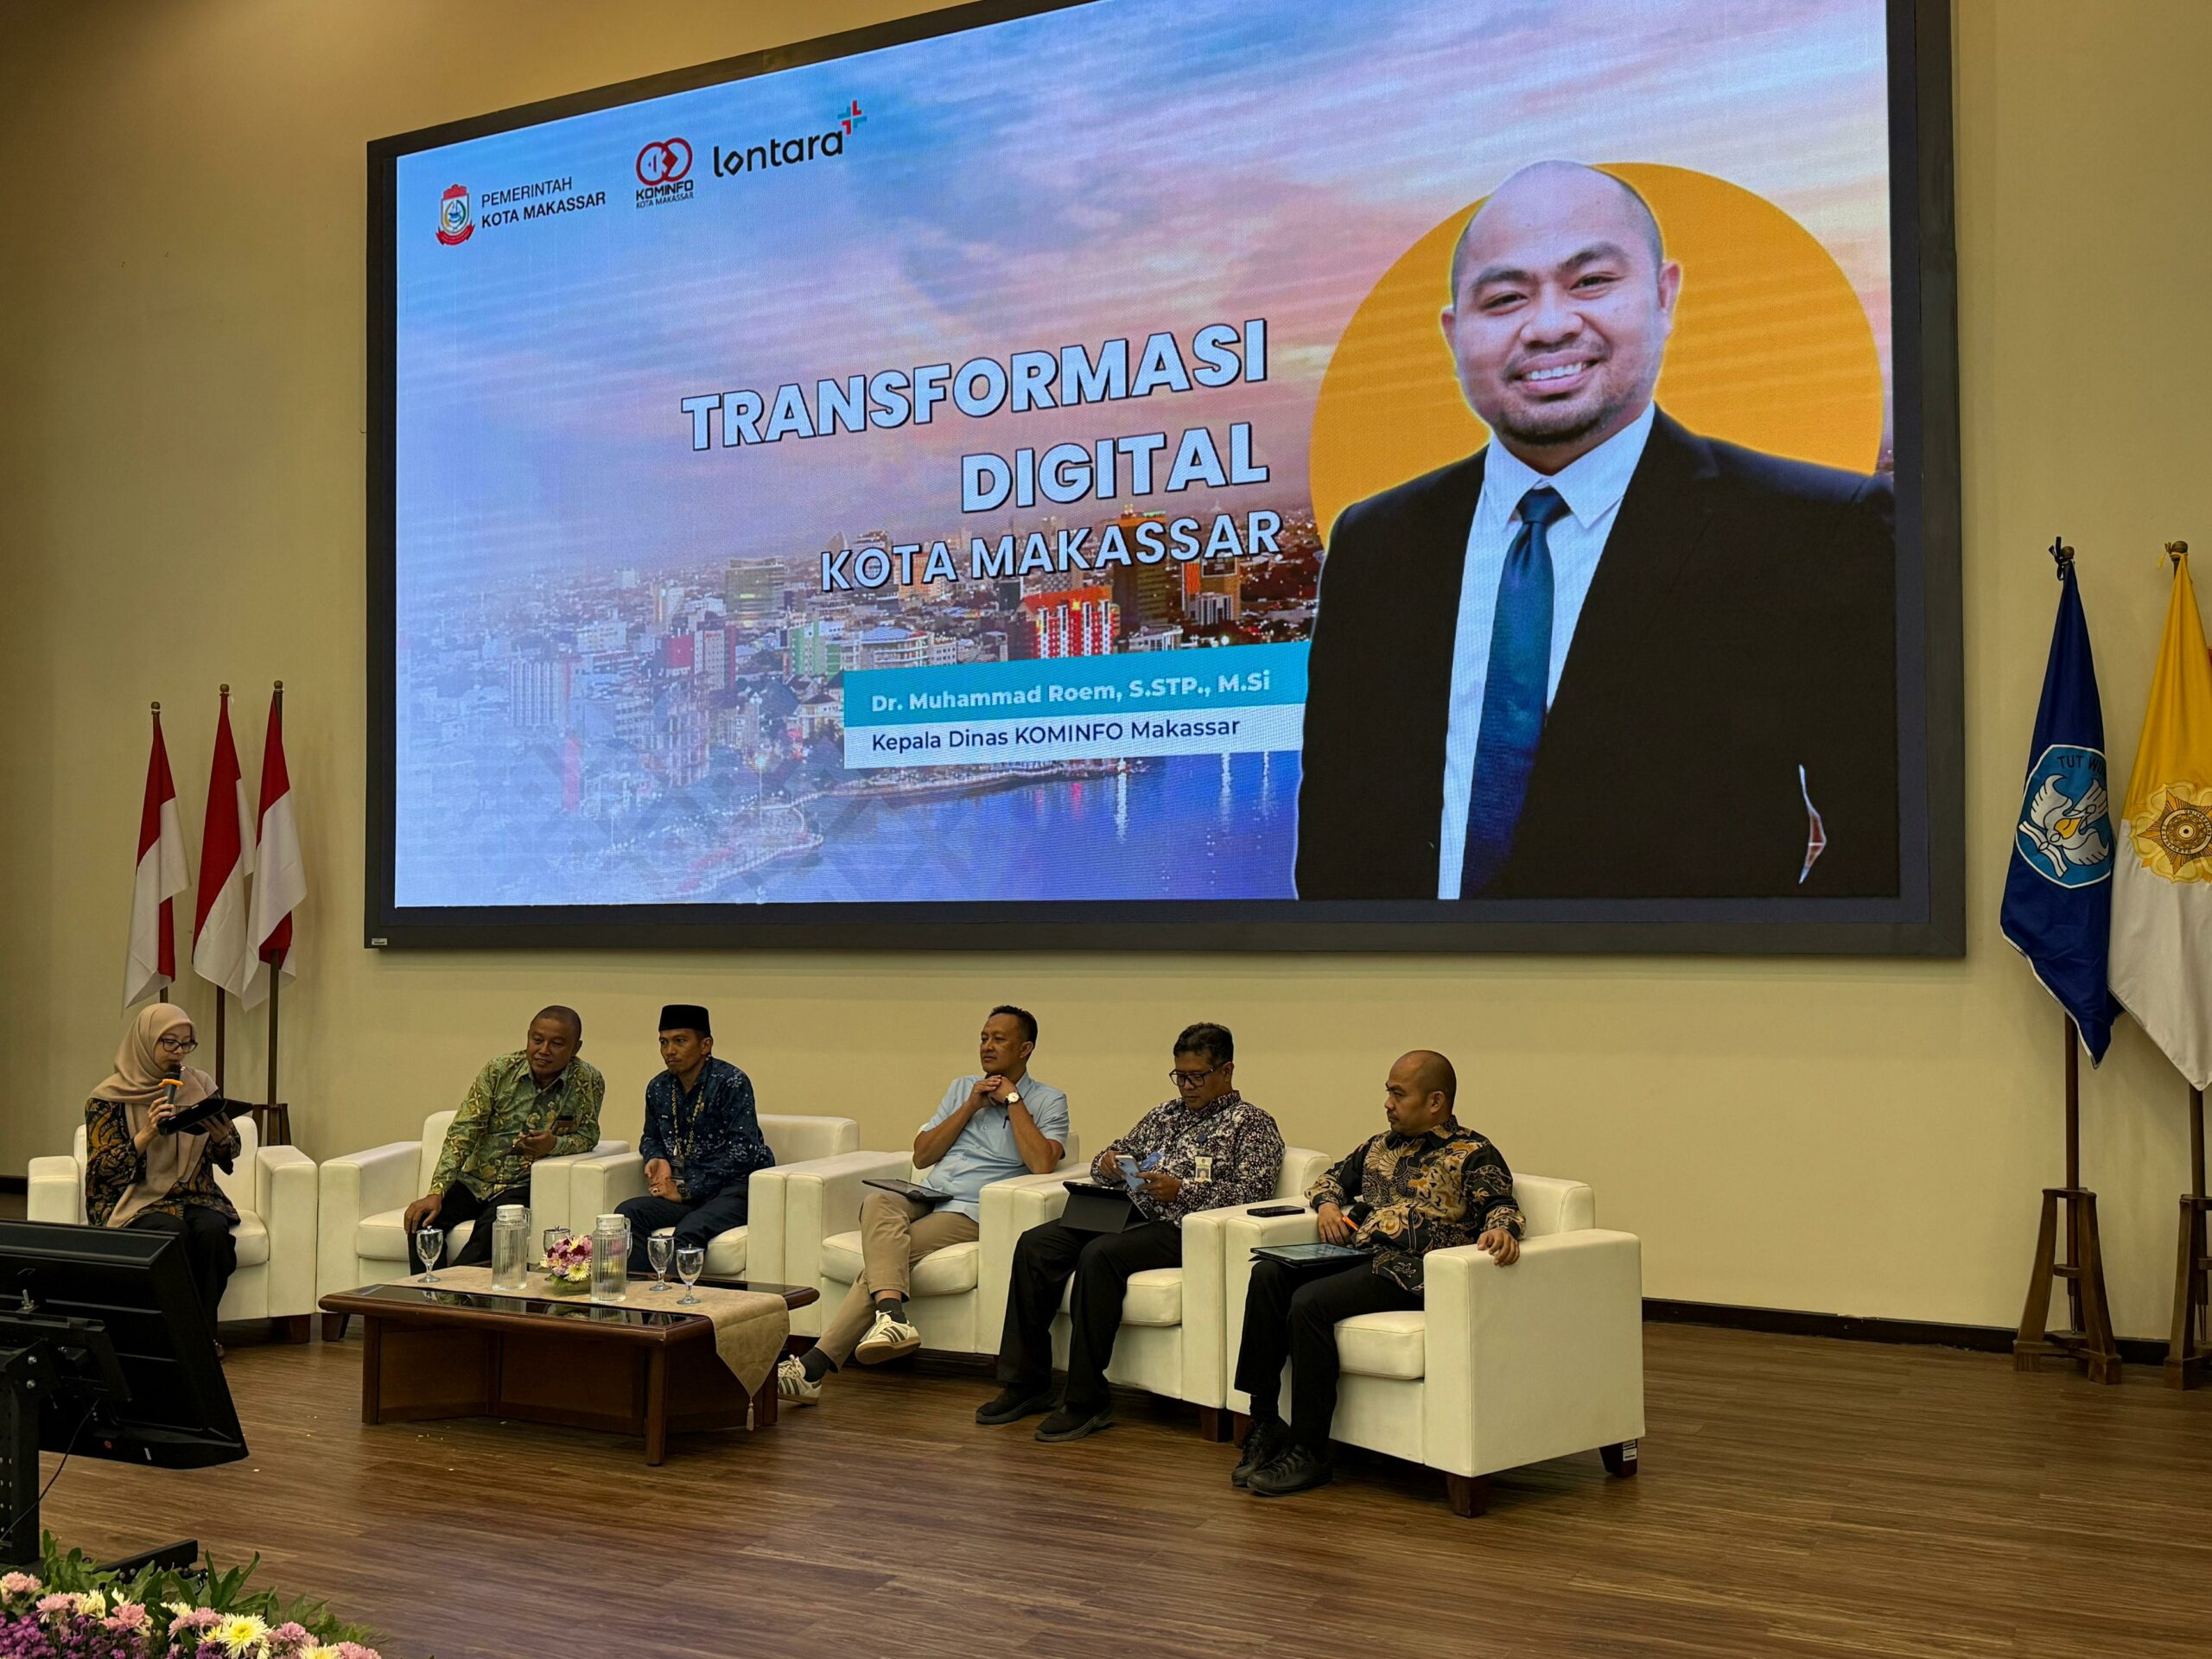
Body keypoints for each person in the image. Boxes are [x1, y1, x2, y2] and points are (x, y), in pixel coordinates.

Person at [1296, 160, 1898, 902]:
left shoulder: (1820, 531)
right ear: (1455, 334)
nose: (1549, 326)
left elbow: (1890, 850)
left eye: (1590, 282)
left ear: (1664, 295)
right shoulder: (1376, 544)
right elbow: (1335, 848)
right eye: (1505, 299)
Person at [1232, 1050, 1522, 1497]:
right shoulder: (1378, 1147)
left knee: (1310, 1303)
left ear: (1435, 1102)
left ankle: (1310, 1451)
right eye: (1388, 1092)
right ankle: (1265, 1421)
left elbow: (1501, 1205)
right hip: (1360, 1255)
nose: (1387, 1103)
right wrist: (1328, 1206)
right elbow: (1328, 1180)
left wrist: (1502, 1230)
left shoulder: (1472, 1152)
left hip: (1413, 1271)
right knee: (1268, 1274)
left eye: (1398, 1094)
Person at [979, 1021, 1283, 1443]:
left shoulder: (1252, 1124)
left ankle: (1086, 1399)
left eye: (1197, 1077)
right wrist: (1108, 1163)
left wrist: (1182, 1191)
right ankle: (1026, 1383)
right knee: (1036, 1244)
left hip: (1181, 1225)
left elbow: (1253, 1193)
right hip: (1125, 1210)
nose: (1187, 1087)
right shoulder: (1164, 1115)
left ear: (1227, 1071)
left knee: (1100, 1255)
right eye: (1180, 1076)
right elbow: (1109, 1156)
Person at [779, 1005, 1067, 1405]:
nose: (987, 1046)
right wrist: (970, 1106)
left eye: (999, 1039)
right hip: (930, 1193)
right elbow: (922, 1155)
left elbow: (1042, 1162)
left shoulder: (1050, 1100)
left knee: (892, 1252)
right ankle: (891, 1316)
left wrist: (1014, 1099)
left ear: (1025, 1049)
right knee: (879, 1200)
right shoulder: (962, 1088)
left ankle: (816, 1364)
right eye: (983, 1038)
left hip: (972, 1208)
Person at [85, 1004, 243, 1340]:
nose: (179, 1052)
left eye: (186, 1044)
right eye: (169, 1042)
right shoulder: (108, 1097)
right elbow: (101, 1170)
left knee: (213, 1232)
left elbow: (231, 1149)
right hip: (134, 1198)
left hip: (194, 1195)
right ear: (145, 1041)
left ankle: (201, 1339)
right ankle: (170, 1337)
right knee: (173, 1233)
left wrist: (221, 1138)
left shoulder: (200, 1085)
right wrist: (147, 1134)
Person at [403, 1006, 604, 1268]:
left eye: (556, 1044)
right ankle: (426, 1292)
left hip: (520, 1185)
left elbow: (588, 1135)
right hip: (475, 1179)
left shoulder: (587, 1080)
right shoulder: (499, 1071)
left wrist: (554, 1145)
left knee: (490, 1235)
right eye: (537, 1040)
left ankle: (457, 1292)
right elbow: (464, 1130)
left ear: (575, 1048)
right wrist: (437, 1191)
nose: (543, 1050)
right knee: (422, 1222)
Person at [615, 1004, 772, 1274]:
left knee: (690, 1229)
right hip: (684, 1189)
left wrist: (687, 1190)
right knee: (628, 1213)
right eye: (663, 1042)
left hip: (735, 1189)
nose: (670, 1051)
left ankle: (677, 1301)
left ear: (705, 1045)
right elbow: (650, 1136)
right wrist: (657, 1157)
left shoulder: (731, 1082)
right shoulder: (658, 1087)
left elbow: (743, 1152)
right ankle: (640, 1293)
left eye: (680, 1041)